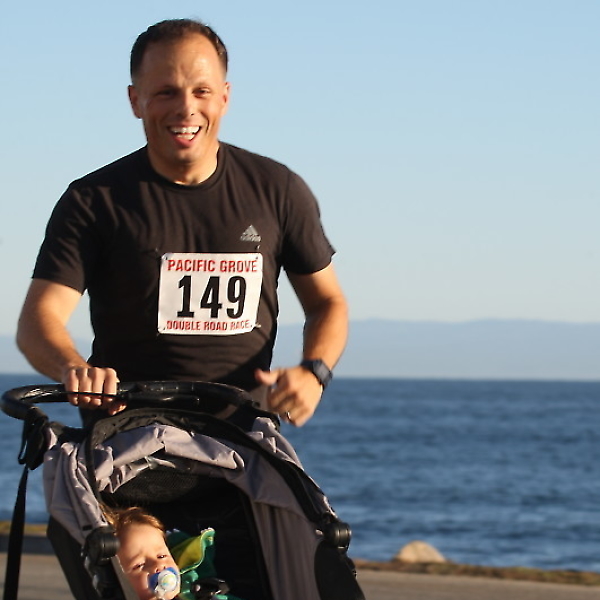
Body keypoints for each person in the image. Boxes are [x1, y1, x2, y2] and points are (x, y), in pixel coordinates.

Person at [16, 18, 348, 427]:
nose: (186, 108)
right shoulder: (92, 201)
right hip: (125, 439)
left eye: (201, 91)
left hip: (243, 441)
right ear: (135, 100)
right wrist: (73, 368)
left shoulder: (279, 190)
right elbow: (38, 320)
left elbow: (327, 303)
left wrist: (314, 372)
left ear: (224, 97)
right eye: (166, 92)